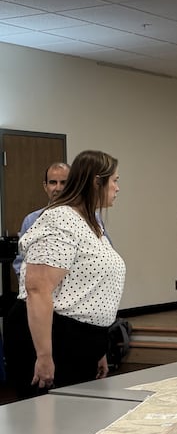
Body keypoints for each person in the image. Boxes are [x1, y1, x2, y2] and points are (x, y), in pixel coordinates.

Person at [5, 150, 125, 398]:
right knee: (48, 427)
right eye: (114, 180)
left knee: (76, 424)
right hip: (54, 339)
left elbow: (88, 289)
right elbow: (38, 289)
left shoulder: (91, 222)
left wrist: (99, 348)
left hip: (81, 342)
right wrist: (44, 356)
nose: (117, 188)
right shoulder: (60, 219)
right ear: (96, 182)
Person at [13, 162, 70, 277]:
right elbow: (21, 262)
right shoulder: (32, 220)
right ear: (45, 186)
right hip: (44, 290)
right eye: (53, 182)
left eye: (64, 183)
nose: (58, 188)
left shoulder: (89, 217)